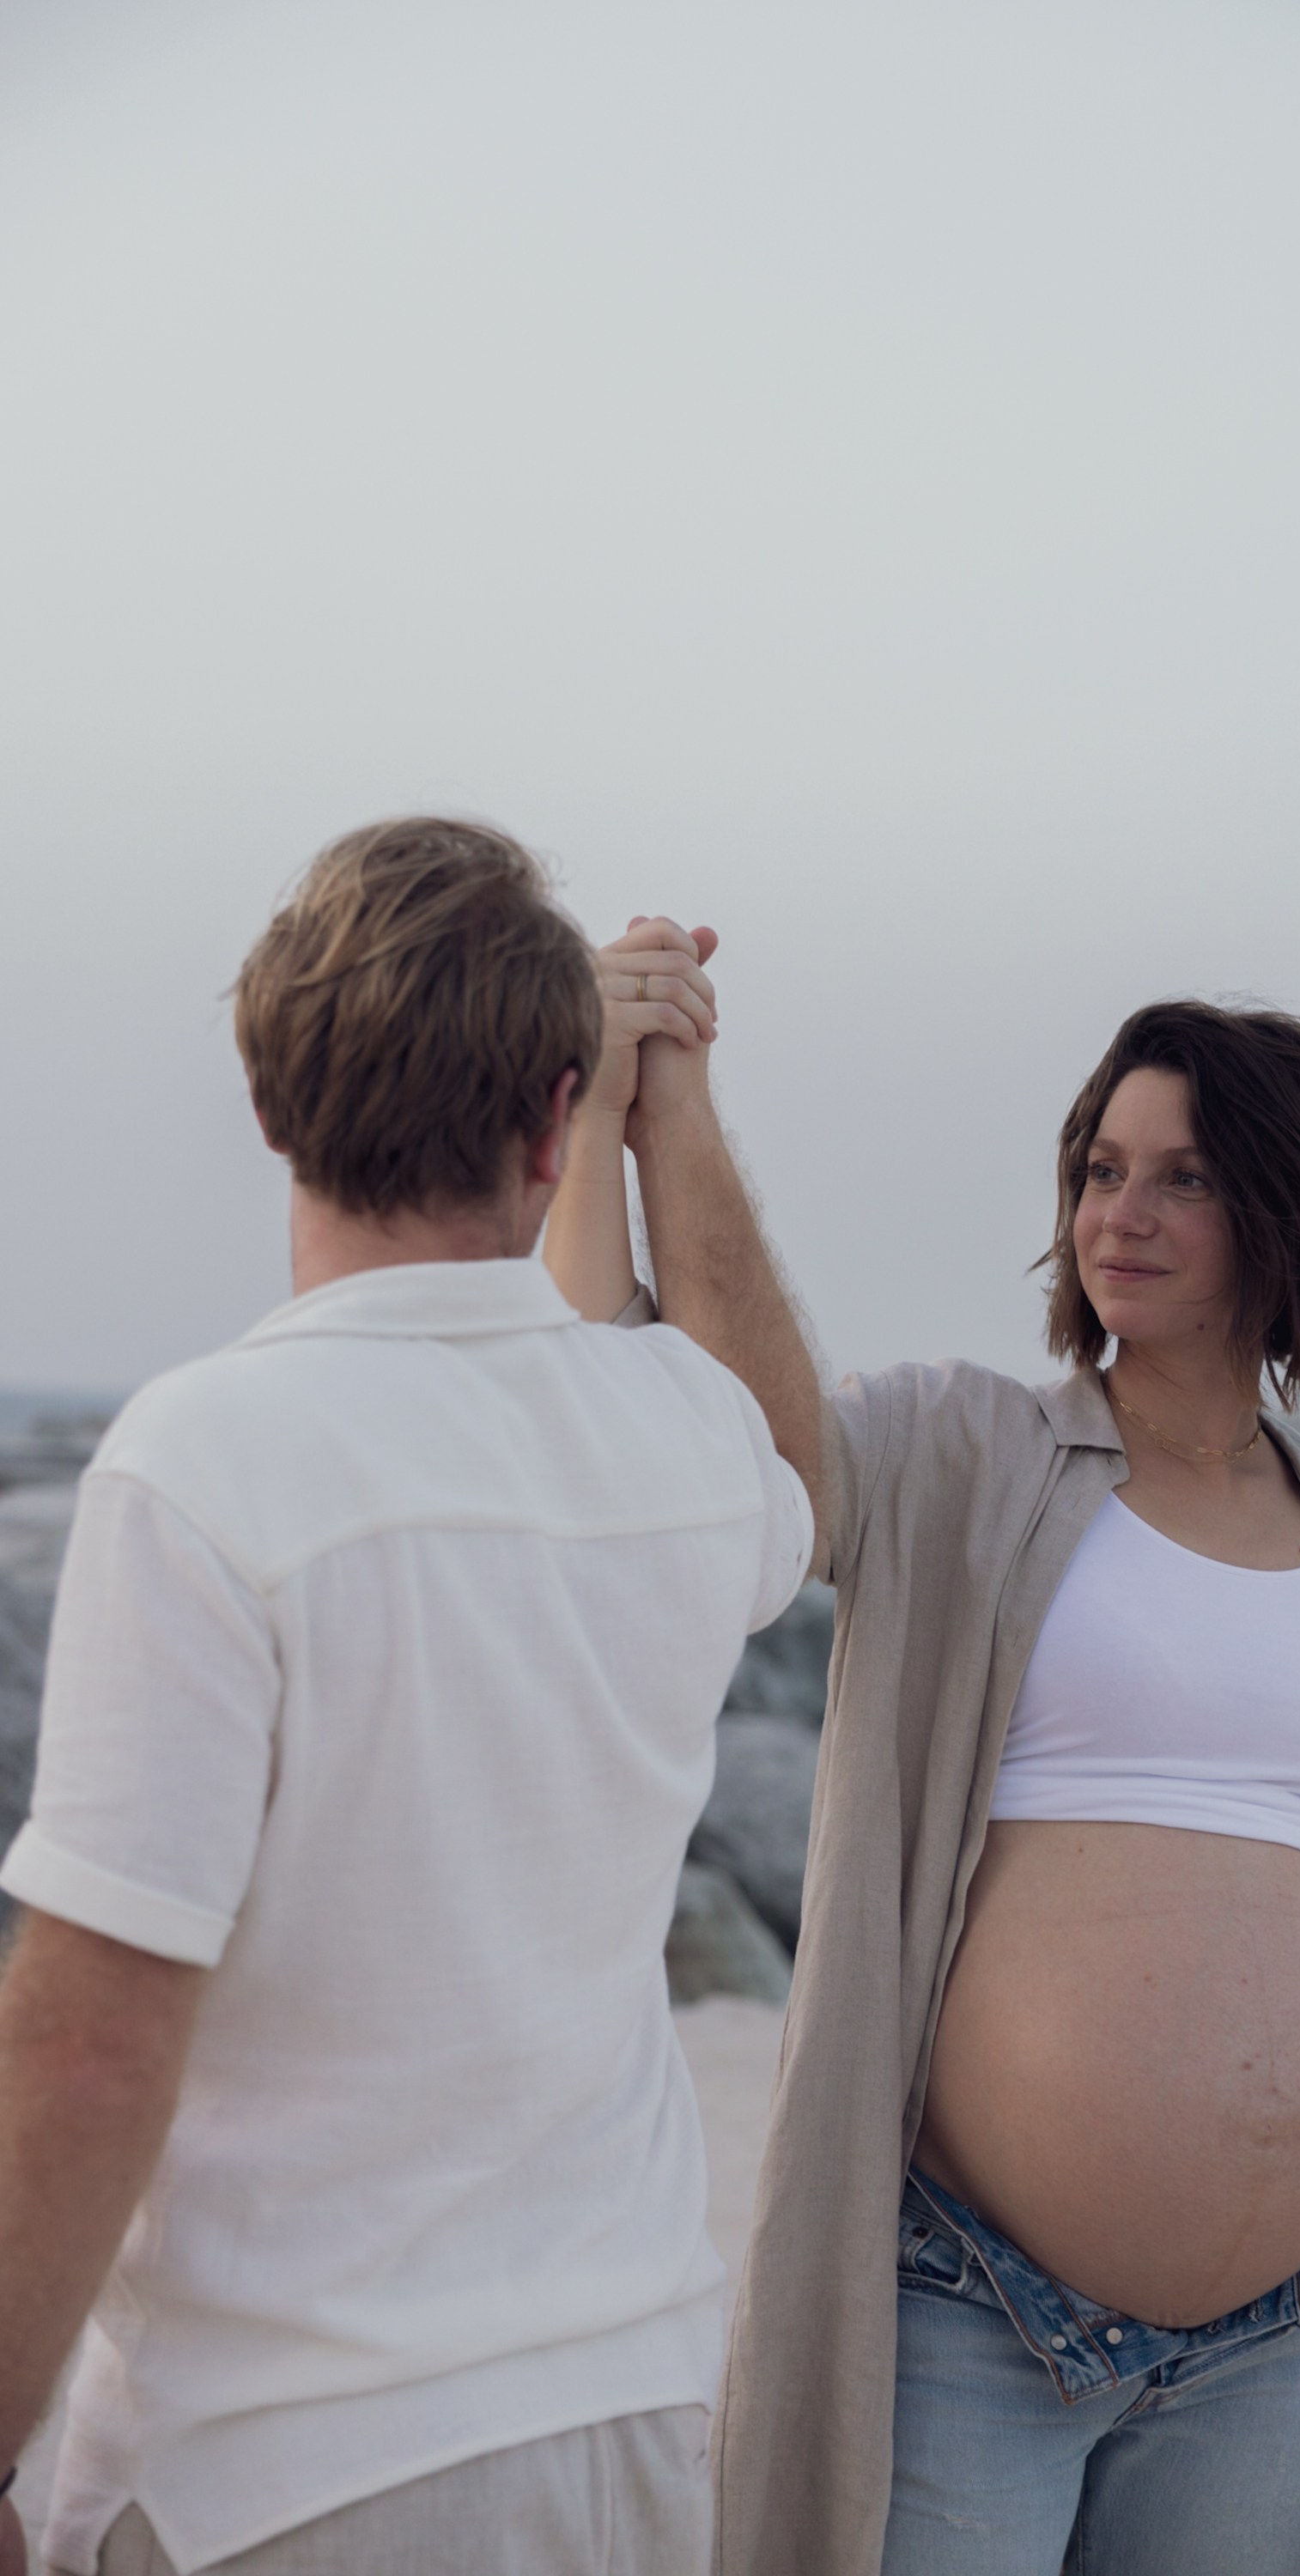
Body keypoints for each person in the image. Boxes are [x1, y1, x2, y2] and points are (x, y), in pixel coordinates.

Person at [549, 977, 1300, 2576]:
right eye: (1101, 1169)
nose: (1121, 1214)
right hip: (978, 2312)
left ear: (1292, 1212)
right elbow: (722, 1442)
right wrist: (649, 1099)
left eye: (1183, 1177)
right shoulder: (971, 1455)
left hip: (1284, 2338)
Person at [0, 819, 817, 2576]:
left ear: (267, 1101)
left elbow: (91, 2041)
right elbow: (781, 1460)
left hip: (287, 2468)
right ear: (551, 1121)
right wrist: (661, 1104)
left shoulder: (205, 1462)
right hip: (633, 2422)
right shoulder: (673, 1440)